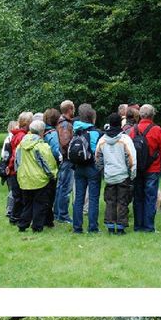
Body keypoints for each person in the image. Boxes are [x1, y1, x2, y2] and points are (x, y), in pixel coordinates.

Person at [94, 113, 137, 234]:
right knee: (122, 201)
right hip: (123, 175)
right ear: (120, 124)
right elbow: (131, 159)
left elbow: (97, 158)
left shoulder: (102, 140)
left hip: (109, 175)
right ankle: (121, 228)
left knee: (110, 201)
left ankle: (110, 226)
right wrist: (132, 174)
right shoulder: (125, 139)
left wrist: (103, 171)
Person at [15, 118, 58, 232]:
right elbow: (49, 164)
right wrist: (52, 175)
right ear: (42, 132)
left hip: (24, 179)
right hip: (40, 180)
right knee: (40, 204)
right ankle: (37, 227)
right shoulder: (42, 146)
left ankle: (23, 224)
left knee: (28, 203)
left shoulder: (21, 145)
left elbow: (17, 162)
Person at [130, 105, 161, 234]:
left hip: (137, 169)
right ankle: (149, 226)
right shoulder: (157, 129)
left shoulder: (133, 130)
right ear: (153, 115)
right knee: (150, 197)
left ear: (140, 115)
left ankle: (137, 226)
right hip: (153, 168)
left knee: (138, 196)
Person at [69, 104, 101, 235]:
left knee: (79, 198)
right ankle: (92, 227)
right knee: (93, 198)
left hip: (78, 168)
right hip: (92, 167)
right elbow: (97, 151)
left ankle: (77, 227)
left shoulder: (75, 130)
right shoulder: (95, 132)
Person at [6, 112, 33, 226]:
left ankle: (16, 217)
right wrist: (11, 167)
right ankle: (15, 218)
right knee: (19, 197)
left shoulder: (18, 134)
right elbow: (16, 155)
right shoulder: (22, 136)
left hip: (15, 169)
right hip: (16, 170)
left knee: (19, 196)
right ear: (27, 123)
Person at [52, 100, 76, 224]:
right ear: (70, 109)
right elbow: (65, 142)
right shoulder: (65, 125)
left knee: (61, 187)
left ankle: (57, 213)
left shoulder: (62, 122)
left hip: (65, 160)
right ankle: (63, 214)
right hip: (67, 160)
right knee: (65, 188)